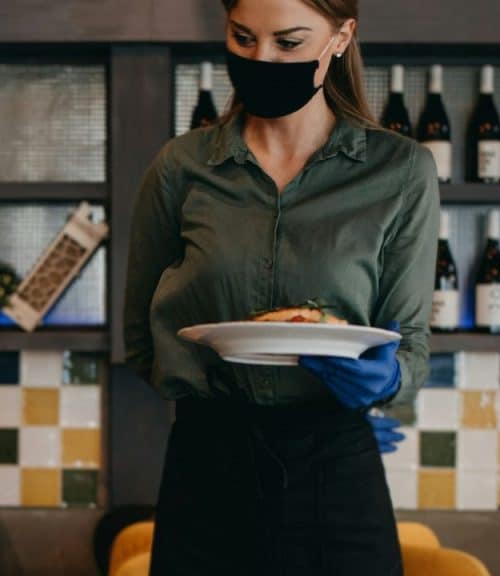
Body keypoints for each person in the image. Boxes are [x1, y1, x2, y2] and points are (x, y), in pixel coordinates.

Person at [123, 0, 438, 574]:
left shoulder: (400, 172)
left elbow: (411, 343)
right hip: (207, 470)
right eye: (243, 38)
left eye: (288, 43)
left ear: (341, 37)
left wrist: (386, 379)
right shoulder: (180, 168)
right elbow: (142, 338)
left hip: (335, 469)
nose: (261, 58)